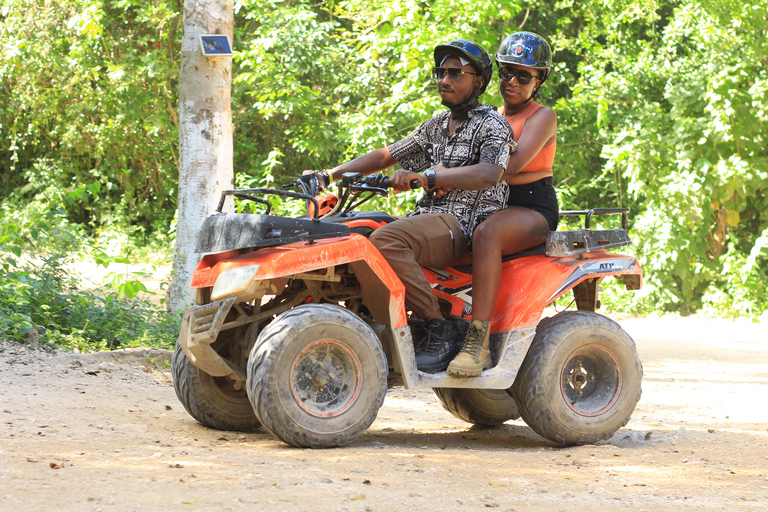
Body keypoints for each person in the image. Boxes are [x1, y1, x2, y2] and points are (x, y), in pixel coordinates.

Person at [306, 39, 516, 372]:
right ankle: (378, 332)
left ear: (478, 81)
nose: (444, 80)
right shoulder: (435, 127)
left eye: (455, 74)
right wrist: (329, 175)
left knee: (386, 241)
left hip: (465, 223)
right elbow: (385, 156)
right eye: (441, 72)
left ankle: (439, 326)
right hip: (428, 218)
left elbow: (491, 173)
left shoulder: (493, 125)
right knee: (353, 236)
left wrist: (429, 177)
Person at [447, 31, 560, 376]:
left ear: (538, 81)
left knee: (487, 236)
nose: (512, 81)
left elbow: (508, 167)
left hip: (530, 206)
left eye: (523, 75)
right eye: (507, 72)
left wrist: (451, 175)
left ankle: (476, 343)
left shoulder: (542, 117)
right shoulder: (487, 115)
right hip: (487, 201)